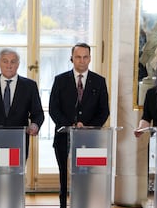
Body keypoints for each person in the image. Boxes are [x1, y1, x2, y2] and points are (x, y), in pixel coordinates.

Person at [49, 42, 110, 208]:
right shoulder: (60, 80)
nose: (82, 61)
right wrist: (71, 125)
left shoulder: (99, 81)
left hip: (90, 139)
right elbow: (54, 109)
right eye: (78, 57)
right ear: (72, 58)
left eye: (85, 57)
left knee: (87, 177)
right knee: (65, 176)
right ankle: (63, 204)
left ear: (90, 58)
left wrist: (88, 127)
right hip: (64, 137)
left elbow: (104, 111)